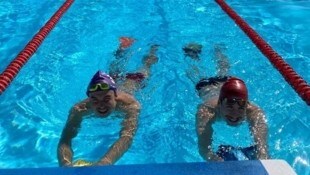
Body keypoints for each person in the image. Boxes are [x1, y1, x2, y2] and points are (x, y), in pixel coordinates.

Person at [57, 37, 159, 167]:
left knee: (146, 67)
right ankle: (123, 47)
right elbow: (65, 139)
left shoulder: (130, 105)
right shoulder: (79, 109)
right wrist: (65, 164)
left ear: (115, 96)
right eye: (95, 100)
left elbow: (126, 136)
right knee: (115, 67)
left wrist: (105, 161)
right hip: (114, 79)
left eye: (106, 99)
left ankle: (153, 49)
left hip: (135, 82)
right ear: (89, 99)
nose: (101, 105)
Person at [183, 43, 269, 161]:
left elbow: (263, 148)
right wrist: (215, 160)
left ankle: (218, 49)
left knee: (224, 68)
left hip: (227, 82)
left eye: (240, 107)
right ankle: (192, 53)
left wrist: (262, 157)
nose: (235, 114)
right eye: (229, 107)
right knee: (195, 70)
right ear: (219, 104)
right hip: (206, 86)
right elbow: (204, 150)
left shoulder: (254, 112)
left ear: (247, 105)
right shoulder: (206, 112)